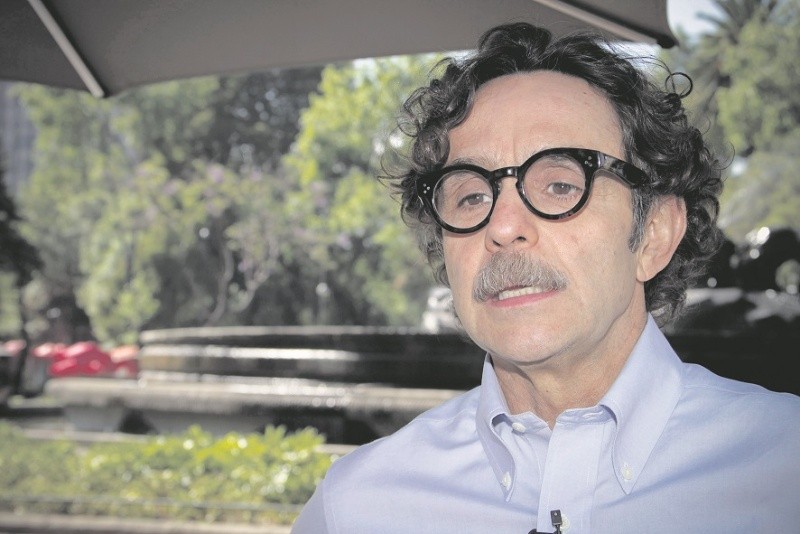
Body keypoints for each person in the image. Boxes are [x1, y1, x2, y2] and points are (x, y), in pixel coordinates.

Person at [292, 23, 800, 533]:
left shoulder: (784, 472)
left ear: (655, 234)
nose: (503, 227)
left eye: (560, 185)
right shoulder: (357, 509)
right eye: (471, 196)